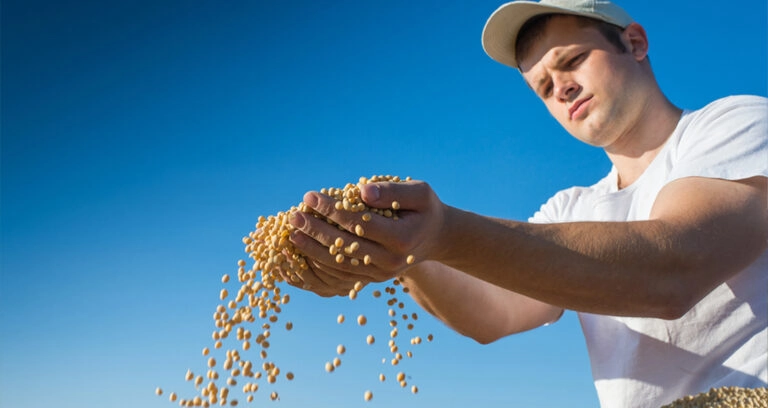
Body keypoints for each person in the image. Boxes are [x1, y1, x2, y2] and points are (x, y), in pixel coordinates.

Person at [284, 0, 768, 406]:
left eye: (573, 60)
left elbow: (670, 269)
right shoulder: (571, 209)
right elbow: (490, 314)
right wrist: (401, 253)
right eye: (542, 87)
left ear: (635, 44)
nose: (561, 88)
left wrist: (442, 231)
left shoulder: (732, 125)